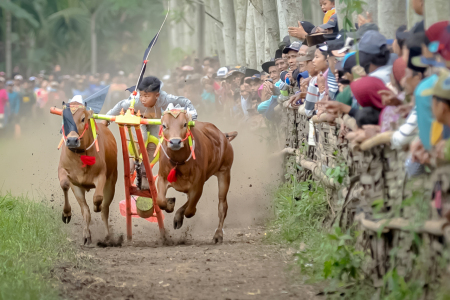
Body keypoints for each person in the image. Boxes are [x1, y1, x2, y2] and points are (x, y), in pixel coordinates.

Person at [104, 76, 197, 162]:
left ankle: (146, 167)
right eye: (141, 95)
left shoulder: (165, 99)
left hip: (154, 121)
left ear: (157, 95)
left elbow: (186, 102)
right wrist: (106, 119)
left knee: (156, 145)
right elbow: (120, 105)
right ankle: (135, 161)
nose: (142, 99)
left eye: (146, 96)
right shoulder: (135, 101)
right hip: (137, 119)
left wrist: (192, 115)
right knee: (143, 138)